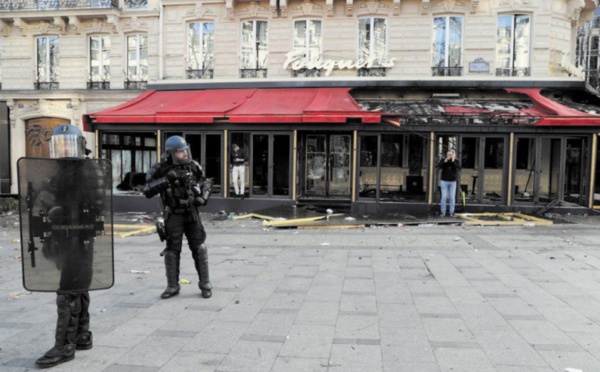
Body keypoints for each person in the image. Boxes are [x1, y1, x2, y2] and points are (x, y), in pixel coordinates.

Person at [20, 124, 112, 368]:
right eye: (60, 145)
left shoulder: (89, 170)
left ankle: (64, 346)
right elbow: (49, 195)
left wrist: (62, 211)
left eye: (69, 144)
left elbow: (94, 205)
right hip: (66, 236)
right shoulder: (61, 171)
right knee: (78, 286)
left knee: (68, 290)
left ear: (80, 146)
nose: (65, 151)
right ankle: (82, 336)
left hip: (79, 237)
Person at [143, 135, 213, 299]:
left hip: (191, 211)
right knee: (172, 250)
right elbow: (147, 190)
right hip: (173, 214)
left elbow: (206, 183)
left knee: (200, 247)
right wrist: (167, 179)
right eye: (181, 152)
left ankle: (205, 284)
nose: (185, 154)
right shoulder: (160, 168)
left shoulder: (192, 165)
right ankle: (172, 286)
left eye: (185, 151)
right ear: (172, 153)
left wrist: (203, 197)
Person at [436, 149, 461, 217]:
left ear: (453, 155)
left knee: (452, 197)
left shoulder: (456, 161)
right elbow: (438, 167)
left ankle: (451, 212)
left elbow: (458, 168)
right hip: (444, 181)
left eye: (450, 154)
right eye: (448, 154)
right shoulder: (444, 160)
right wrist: (444, 162)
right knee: (444, 197)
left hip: (452, 182)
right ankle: (443, 212)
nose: (449, 156)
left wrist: (452, 161)